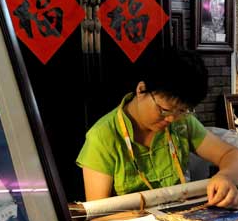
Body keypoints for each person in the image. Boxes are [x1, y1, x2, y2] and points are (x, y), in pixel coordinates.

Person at [76, 50, 238, 208]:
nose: (171, 119)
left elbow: (230, 154)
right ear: (141, 90)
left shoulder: (182, 123)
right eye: (164, 110)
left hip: (184, 220)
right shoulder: (103, 136)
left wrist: (225, 176)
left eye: (182, 111)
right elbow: (98, 212)